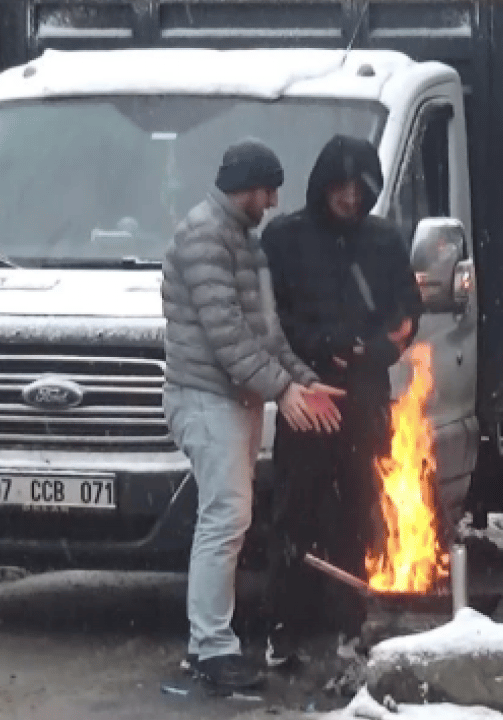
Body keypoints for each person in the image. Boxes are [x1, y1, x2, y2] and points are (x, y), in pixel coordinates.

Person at [161, 138, 345, 691]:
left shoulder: (241, 241)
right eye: (268, 190)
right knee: (225, 518)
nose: (273, 202)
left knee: (230, 520)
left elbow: (266, 334)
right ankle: (210, 650)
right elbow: (227, 337)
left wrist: (304, 382)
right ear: (248, 185)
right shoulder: (203, 237)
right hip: (206, 398)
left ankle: (211, 645)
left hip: (232, 400)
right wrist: (282, 389)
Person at [260, 135, 424, 667]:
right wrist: (315, 346)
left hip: (365, 394)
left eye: (361, 190)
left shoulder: (384, 241)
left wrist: (381, 348)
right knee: (295, 509)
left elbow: (406, 312)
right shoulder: (285, 239)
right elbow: (270, 315)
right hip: (308, 394)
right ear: (322, 185)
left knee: (360, 507)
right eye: (342, 189)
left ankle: (350, 621)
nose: (351, 199)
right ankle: (285, 624)